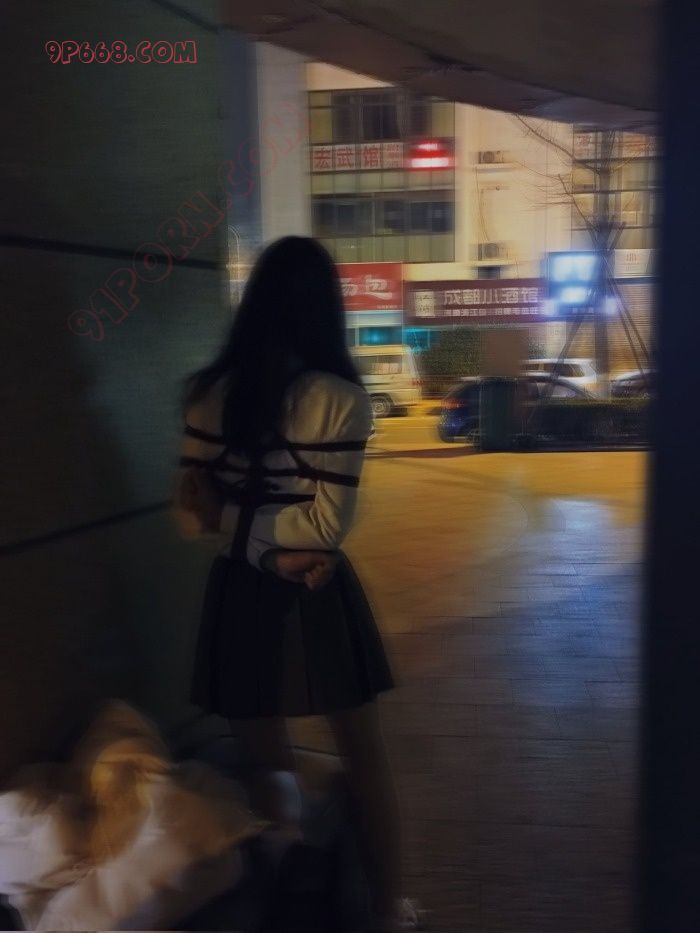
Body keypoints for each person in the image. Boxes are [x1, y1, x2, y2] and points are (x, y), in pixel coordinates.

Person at [174, 237, 421, 932]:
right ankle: (385, 910)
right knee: (363, 756)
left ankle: (287, 908)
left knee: (268, 766)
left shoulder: (205, 394)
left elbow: (193, 518)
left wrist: (240, 534)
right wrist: (278, 554)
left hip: (239, 591)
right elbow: (322, 527)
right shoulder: (340, 399)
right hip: (315, 592)